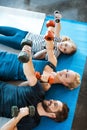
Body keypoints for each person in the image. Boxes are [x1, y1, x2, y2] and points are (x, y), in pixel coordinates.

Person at [0, 30, 70, 130]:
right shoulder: (39, 93)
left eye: (54, 104)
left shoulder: (33, 121)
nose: (51, 100)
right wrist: (27, 55)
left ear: (52, 115)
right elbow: (30, 74)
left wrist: (19, 116)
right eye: (54, 100)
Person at [0, 10, 77, 60]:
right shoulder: (58, 40)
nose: (63, 47)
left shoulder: (54, 54)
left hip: (21, 43)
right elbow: (57, 30)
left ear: (63, 53)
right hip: (25, 33)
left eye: (65, 50)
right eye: (66, 45)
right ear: (66, 41)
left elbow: (35, 57)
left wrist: (47, 49)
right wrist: (57, 20)